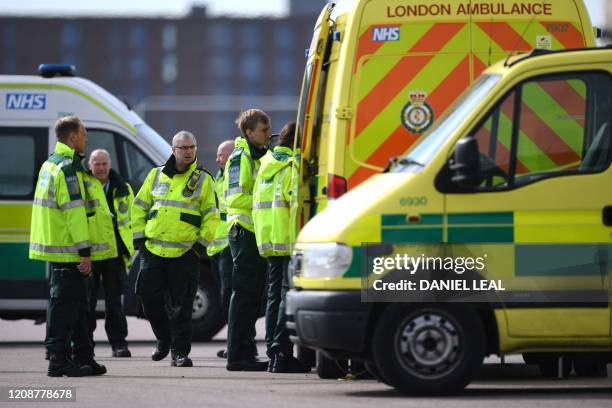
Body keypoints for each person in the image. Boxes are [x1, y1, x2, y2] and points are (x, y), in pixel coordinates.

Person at [133, 130, 219, 367]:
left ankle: (179, 353)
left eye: (192, 147)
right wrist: (140, 240)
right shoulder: (155, 175)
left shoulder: (204, 179)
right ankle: (163, 339)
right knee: (147, 297)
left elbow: (212, 215)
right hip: (154, 251)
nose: (189, 151)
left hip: (185, 253)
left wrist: (200, 246)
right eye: (183, 148)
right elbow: (139, 207)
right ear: (173, 150)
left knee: (183, 306)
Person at [29, 115, 106, 377]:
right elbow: (74, 214)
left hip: (60, 247)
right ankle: (59, 360)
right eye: (84, 134)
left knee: (78, 308)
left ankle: (83, 356)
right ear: (72, 137)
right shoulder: (67, 170)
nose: (86, 138)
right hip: (69, 250)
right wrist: (84, 252)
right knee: (65, 308)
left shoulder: (50, 164)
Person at [253, 122, 310, 373]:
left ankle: (273, 352)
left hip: (269, 241)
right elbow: (297, 207)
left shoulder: (266, 165)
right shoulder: (291, 167)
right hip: (288, 241)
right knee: (285, 297)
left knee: (274, 297)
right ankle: (281, 354)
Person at [224, 109, 271, 371]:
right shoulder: (240, 157)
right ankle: (237, 356)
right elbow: (234, 197)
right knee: (243, 295)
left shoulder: (259, 156)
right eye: (264, 130)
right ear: (249, 132)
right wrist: (262, 200)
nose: (268, 134)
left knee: (251, 297)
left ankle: (246, 351)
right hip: (244, 231)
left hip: (253, 231)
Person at [85, 149, 134, 358]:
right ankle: (85, 344)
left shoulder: (124, 189)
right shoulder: (83, 187)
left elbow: (131, 219)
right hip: (90, 254)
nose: (101, 168)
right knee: (86, 302)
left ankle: (118, 343)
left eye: (104, 163)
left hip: (115, 254)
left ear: (110, 164)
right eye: (97, 164)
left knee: (115, 302)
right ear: (90, 166)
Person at [207, 140, 235, 360]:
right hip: (217, 247)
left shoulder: (232, 175)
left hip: (228, 246)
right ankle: (232, 343)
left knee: (230, 297)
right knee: (226, 298)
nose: (217, 159)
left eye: (221, 155)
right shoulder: (219, 176)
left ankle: (235, 344)